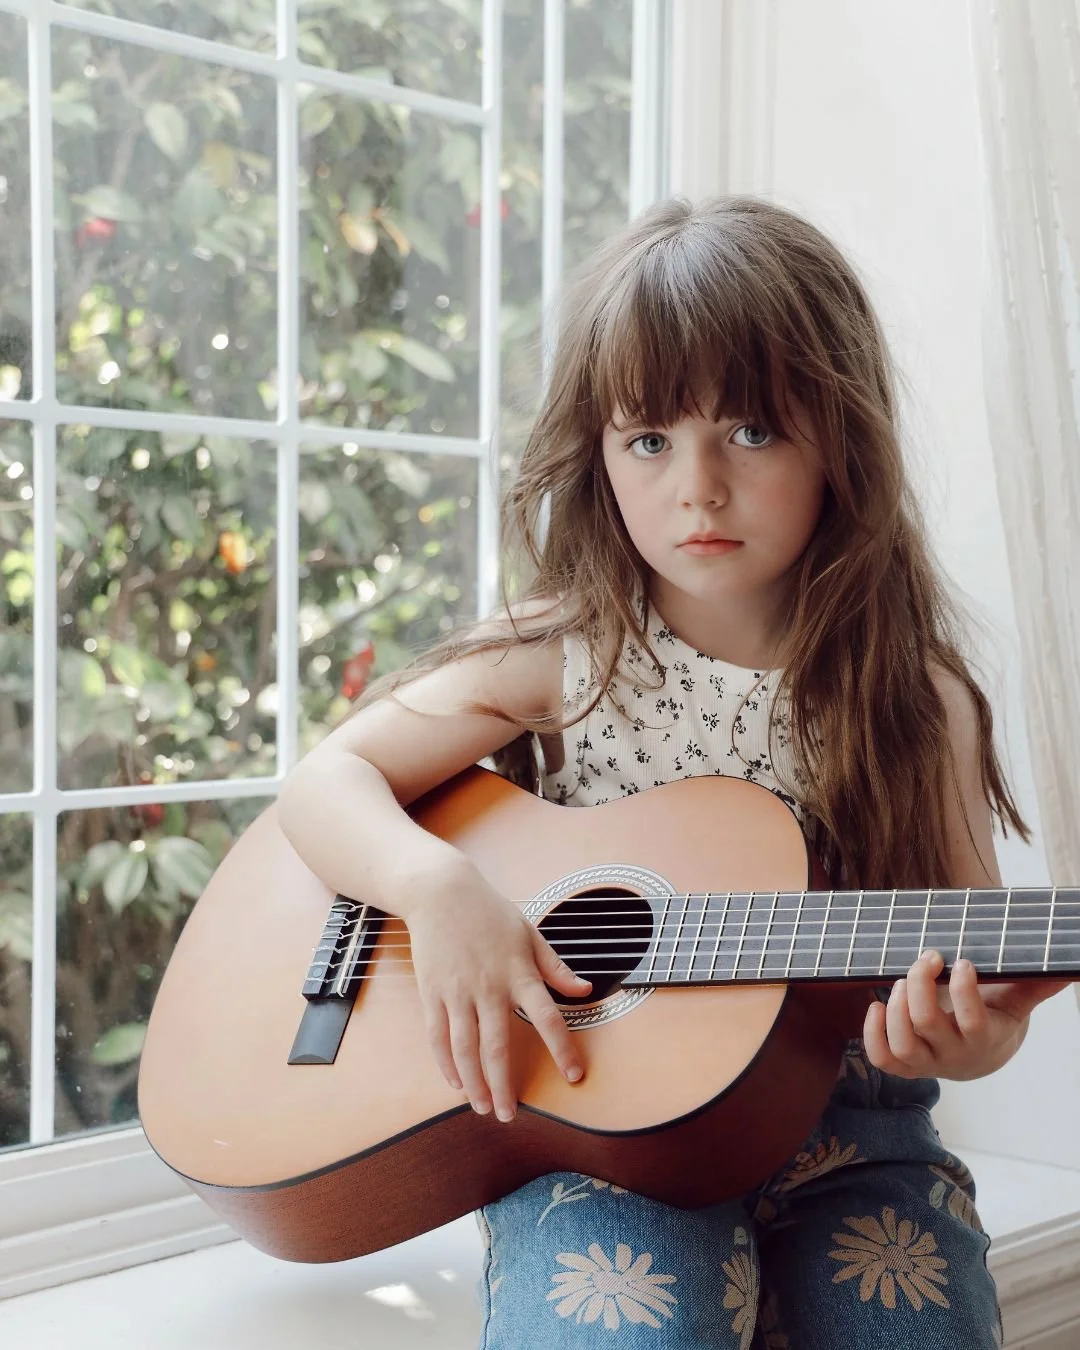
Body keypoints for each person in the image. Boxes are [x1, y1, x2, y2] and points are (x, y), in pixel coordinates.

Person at [276, 195, 1066, 1348]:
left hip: (856, 1134)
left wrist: (971, 1038)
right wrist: (438, 891)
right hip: (596, 1127)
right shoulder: (567, 652)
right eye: (650, 439)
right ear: (599, 456)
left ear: (840, 436)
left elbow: (991, 984)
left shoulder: (913, 699)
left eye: (751, 432)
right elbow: (321, 785)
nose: (696, 486)